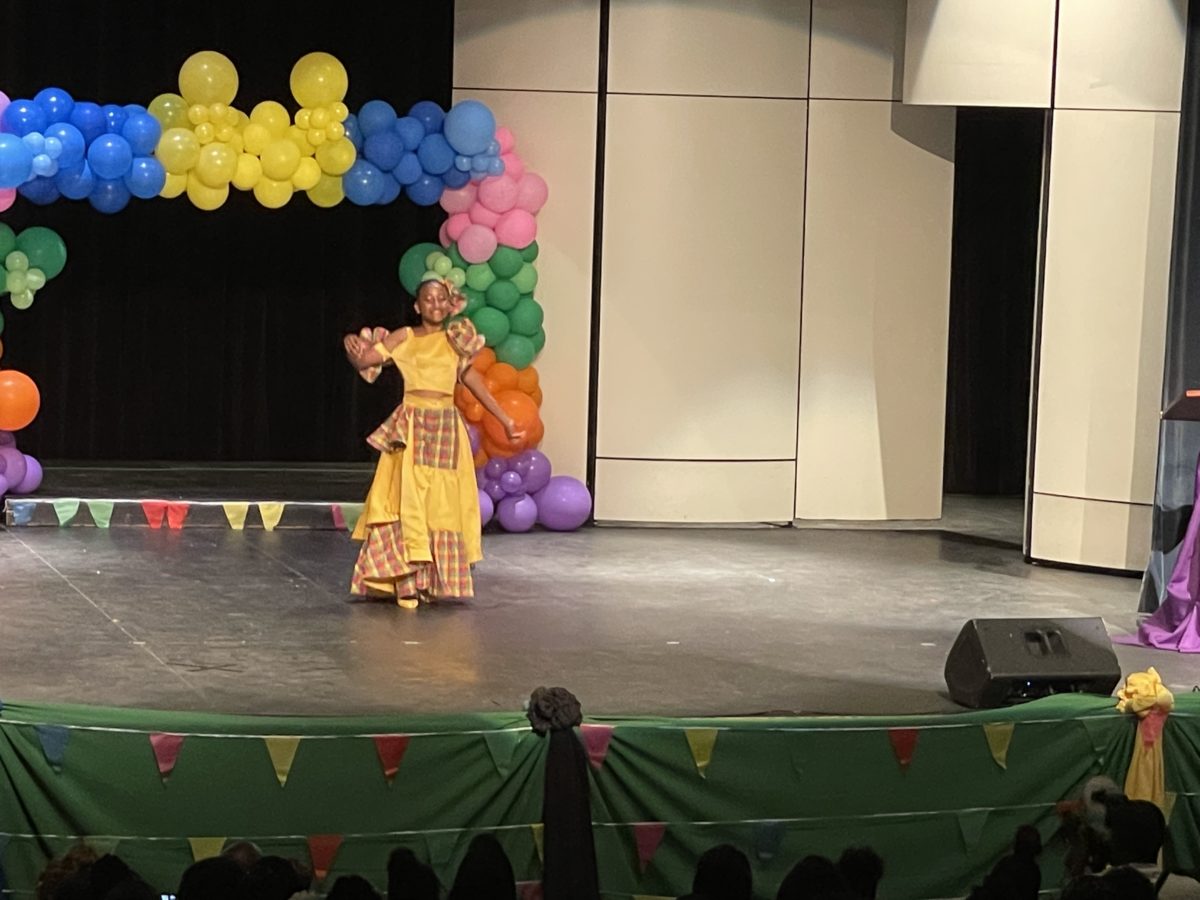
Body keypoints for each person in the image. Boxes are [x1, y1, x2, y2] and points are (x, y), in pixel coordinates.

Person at [344, 279, 522, 607]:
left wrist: (505, 419)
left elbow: (471, 380)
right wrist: (350, 343)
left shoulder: (455, 341)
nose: (436, 304)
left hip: (445, 427)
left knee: (440, 504)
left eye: (441, 298)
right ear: (417, 306)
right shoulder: (404, 337)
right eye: (429, 299)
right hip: (412, 423)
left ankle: (430, 580)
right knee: (407, 499)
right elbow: (365, 360)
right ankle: (404, 579)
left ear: (450, 304)